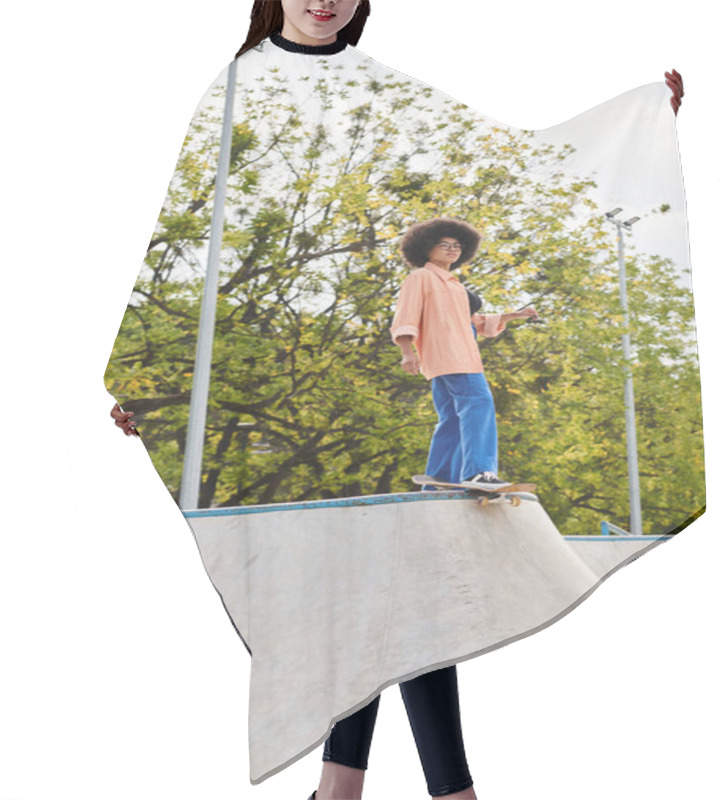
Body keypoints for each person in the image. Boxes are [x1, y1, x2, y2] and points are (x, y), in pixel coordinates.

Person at [108, 2, 686, 798]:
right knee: (382, 595)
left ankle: (355, 789)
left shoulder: (385, 98)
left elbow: (516, 154)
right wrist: (154, 380)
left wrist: (642, 122)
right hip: (296, 396)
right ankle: (419, 790)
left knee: (406, 591)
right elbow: (196, 238)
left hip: (376, 411)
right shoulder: (241, 87)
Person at [391, 219, 538, 492]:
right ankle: (479, 472)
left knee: (453, 418)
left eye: (457, 246)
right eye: (444, 245)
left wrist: (511, 315)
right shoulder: (421, 277)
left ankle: (438, 479)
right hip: (452, 355)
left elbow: (471, 322)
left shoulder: (455, 286)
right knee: (478, 404)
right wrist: (406, 351)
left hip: (452, 356)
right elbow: (405, 316)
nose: (452, 249)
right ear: (426, 249)